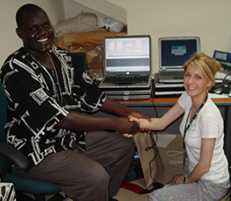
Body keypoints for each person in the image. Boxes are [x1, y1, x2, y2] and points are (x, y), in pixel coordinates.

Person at [0, 4, 143, 201]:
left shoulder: (62, 57)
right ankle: (94, 190)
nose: (42, 32)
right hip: (35, 150)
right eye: (33, 29)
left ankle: (101, 196)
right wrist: (116, 123)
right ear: (20, 33)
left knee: (123, 148)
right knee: (95, 176)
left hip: (68, 138)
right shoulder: (15, 71)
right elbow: (61, 119)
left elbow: (91, 94)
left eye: (45, 25)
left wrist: (127, 113)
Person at [130, 53, 230, 201]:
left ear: (209, 82)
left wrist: (187, 180)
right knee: (168, 188)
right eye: (187, 75)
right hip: (197, 175)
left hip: (212, 184)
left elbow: (204, 166)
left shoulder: (209, 116)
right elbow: (162, 122)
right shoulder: (188, 97)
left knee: (154, 198)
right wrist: (136, 123)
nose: (190, 82)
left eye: (198, 77)